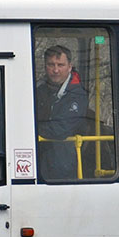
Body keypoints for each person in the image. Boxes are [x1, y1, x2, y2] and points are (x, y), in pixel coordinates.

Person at [34, 45, 88, 179]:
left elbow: (60, 129)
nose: (56, 70)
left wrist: (32, 130)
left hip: (64, 164)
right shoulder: (40, 90)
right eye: (51, 65)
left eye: (60, 65)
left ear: (70, 67)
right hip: (41, 160)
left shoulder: (77, 95)